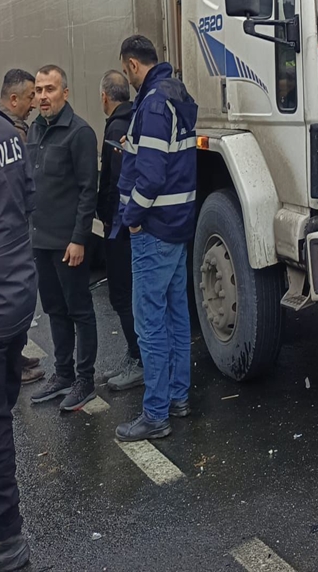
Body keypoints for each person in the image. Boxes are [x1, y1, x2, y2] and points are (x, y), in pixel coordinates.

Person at [114, 36, 198, 442]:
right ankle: (179, 398)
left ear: (132, 65)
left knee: (150, 324)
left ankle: (155, 414)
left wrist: (131, 218)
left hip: (153, 228)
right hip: (178, 223)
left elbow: (150, 175)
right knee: (176, 315)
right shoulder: (177, 94)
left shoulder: (151, 104)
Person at [27, 65, 100, 412]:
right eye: (39, 90)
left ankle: (85, 379)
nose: (43, 96)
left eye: (50, 89)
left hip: (67, 243)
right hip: (40, 241)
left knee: (79, 311)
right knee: (55, 310)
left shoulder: (79, 133)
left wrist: (79, 238)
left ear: (65, 93)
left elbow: (88, 192)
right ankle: (63, 374)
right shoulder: (33, 132)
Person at [0, 102, 37, 571]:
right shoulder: (7, 132)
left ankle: (6, 539)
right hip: (16, 294)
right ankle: (7, 539)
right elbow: (28, 198)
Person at [97, 70, 143, 391]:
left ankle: (138, 359)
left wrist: (109, 220)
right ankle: (135, 354)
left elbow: (114, 184)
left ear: (104, 97)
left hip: (119, 229)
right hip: (135, 225)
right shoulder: (135, 118)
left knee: (121, 296)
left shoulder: (115, 126)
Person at [0, 69, 44, 386]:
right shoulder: (13, 136)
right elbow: (29, 196)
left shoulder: (14, 132)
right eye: (30, 97)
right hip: (15, 266)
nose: (35, 103)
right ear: (13, 99)